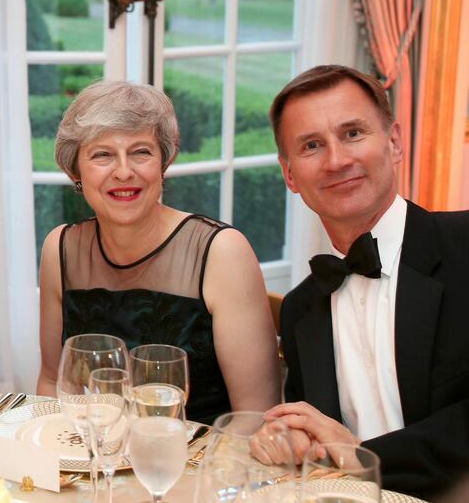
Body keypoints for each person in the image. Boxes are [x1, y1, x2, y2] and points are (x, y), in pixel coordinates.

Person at [265, 64, 469, 499]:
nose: (337, 160)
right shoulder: (303, 308)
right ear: (290, 175)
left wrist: (359, 454)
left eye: (353, 133)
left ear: (394, 143)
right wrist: (297, 438)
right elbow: (319, 440)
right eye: (312, 145)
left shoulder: (465, 249)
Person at [36, 80, 280, 424]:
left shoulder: (220, 252)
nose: (123, 171)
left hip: (200, 465)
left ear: (162, 164)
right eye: (102, 155)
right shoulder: (60, 249)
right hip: (94, 457)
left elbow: (255, 417)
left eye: (141, 152)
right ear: (75, 171)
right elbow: (51, 382)